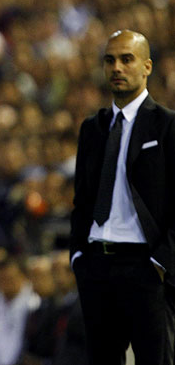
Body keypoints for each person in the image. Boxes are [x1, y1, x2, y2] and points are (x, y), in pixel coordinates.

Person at [70, 29, 175, 365]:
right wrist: (78, 255)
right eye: (110, 60)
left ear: (147, 67)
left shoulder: (167, 126)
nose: (117, 67)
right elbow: (81, 200)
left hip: (145, 266)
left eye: (127, 59)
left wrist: (162, 261)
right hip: (96, 265)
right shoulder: (93, 127)